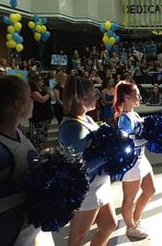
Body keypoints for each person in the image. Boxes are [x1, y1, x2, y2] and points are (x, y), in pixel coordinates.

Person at [58, 76, 117, 246]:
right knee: (77, 239)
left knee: (108, 225)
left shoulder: (87, 118)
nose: (97, 97)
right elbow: (79, 168)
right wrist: (107, 155)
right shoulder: (72, 128)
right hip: (86, 190)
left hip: (100, 184)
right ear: (83, 99)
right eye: (94, 94)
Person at [0, 75, 46, 245]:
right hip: (8, 234)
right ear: (18, 104)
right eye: (29, 97)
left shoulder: (19, 132)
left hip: (27, 229)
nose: (33, 101)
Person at [114, 81, 156, 239]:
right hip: (132, 163)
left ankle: (136, 218)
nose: (139, 96)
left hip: (142, 159)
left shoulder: (134, 114)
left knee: (150, 190)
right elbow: (127, 143)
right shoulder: (124, 119)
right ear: (126, 97)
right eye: (136, 94)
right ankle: (130, 227)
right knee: (129, 198)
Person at [29, 74, 54, 151]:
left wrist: (49, 92)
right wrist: (48, 94)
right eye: (40, 80)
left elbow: (52, 98)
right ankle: (39, 148)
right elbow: (41, 99)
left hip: (47, 114)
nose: (42, 82)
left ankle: (43, 147)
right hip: (39, 115)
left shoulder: (43, 89)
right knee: (40, 133)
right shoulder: (33, 90)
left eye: (42, 80)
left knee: (45, 133)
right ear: (36, 82)